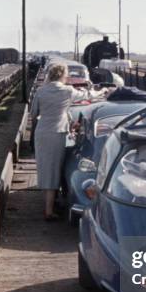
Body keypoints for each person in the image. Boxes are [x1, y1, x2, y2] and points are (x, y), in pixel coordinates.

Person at [31, 63, 91, 221]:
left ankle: (49, 204)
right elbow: (86, 96)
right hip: (56, 134)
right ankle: (48, 212)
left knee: (45, 168)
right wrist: (103, 91)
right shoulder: (67, 90)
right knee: (53, 171)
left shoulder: (40, 91)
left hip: (41, 133)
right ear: (63, 75)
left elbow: (33, 113)